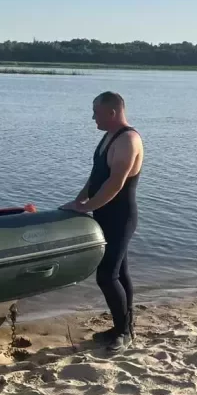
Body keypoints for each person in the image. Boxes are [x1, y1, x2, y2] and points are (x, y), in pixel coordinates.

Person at [61, 91, 144, 353]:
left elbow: (115, 183)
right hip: (104, 214)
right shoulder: (108, 138)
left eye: (96, 112)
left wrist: (88, 206)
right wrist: (77, 203)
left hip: (121, 217)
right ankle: (124, 326)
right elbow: (96, 177)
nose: (92, 117)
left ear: (112, 112)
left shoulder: (128, 140)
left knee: (107, 276)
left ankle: (123, 333)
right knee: (121, 272)